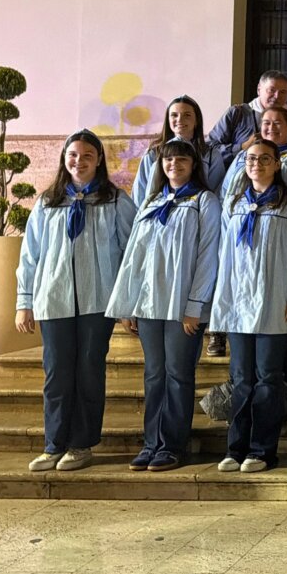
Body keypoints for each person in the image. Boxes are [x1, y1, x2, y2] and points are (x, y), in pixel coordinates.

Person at [15, 130, 136, 472]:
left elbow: (130, 253)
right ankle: (54, 444)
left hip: (98, 302)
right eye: (72, 155)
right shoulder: (48, 201)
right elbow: (31, 256)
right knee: (56, 373)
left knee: (88, 371)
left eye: (86, 155)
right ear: (64, 159)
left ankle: (81, 444)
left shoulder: (115, 200)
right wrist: (25, 301)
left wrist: (126, 303)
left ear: (98, 159)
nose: (78, 161)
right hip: (54, 301)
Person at [106, 137, 221, 472]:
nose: (174, 166)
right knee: (154, 375)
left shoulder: (204, 201)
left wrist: (195, 306)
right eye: (168, 161)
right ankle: (151, 442)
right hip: (149, 304)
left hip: (181, 306)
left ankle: (172, 445)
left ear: (193, 165)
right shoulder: (153, 201)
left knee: (178, 374)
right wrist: (128, 304)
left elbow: (207, 256)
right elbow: (134, 257)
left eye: (182, 160)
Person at [210, 138, 287, 473]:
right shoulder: (235, 202)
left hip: (274, 303)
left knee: (268, 378)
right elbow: (224, 255)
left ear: (276, 163)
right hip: (239, 304)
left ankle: (262, 450)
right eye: (251, 159)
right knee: (241, 378)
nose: (257, 164)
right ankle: (235, 448)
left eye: (264, 159)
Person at [131, 95, 225, 206]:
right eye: (174, 115)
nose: (179, 120)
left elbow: (215, 193)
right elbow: (140, 194)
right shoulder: (153, 153)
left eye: (187, 115)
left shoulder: (211, 155)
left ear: (197, 121)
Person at [222, 105, 287, 205]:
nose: (271, 127)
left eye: (277, 123)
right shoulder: (244, 154)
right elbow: (226, 189)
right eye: (266, 123)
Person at [207, 69, 287, 168]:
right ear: (259, 89)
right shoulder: (237, 114)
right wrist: (242, 147)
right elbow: (208, 148)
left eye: (283, 92)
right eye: (271, 90)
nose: (277, 96)